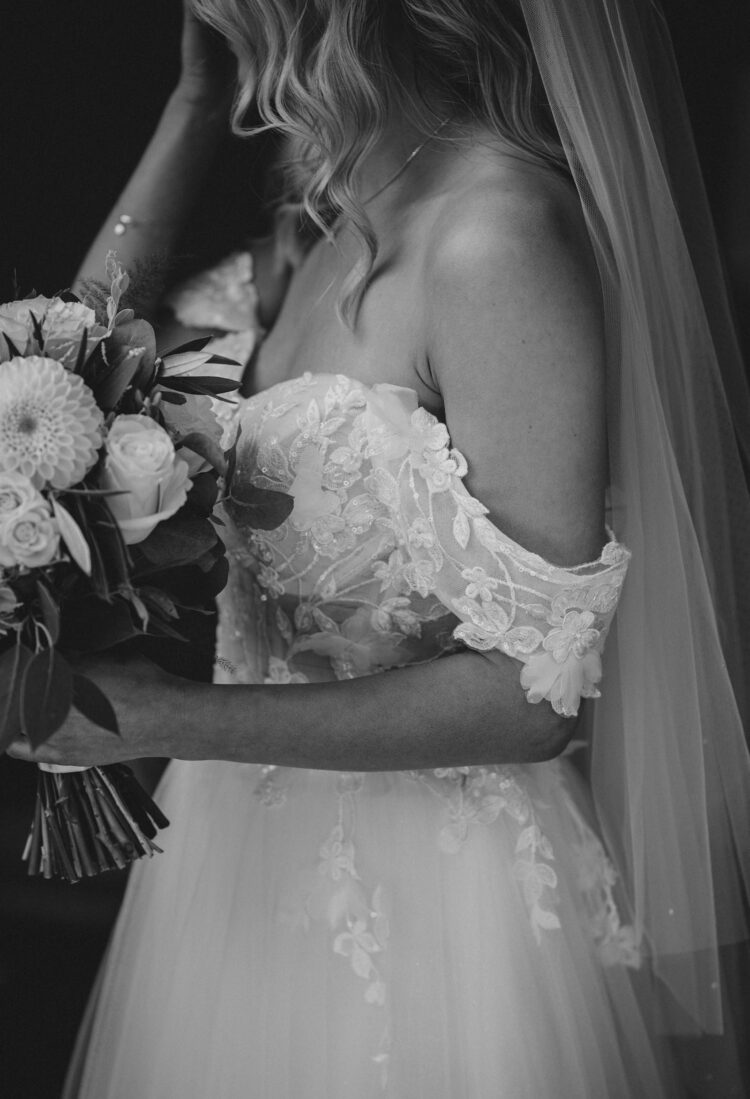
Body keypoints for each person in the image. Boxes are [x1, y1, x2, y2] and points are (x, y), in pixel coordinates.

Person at [10, 0, 750, 1095]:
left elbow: (532, 700)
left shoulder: (495, 239)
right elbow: (54, 397)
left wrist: (167, 720)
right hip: (234, 880)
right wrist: (192, 105)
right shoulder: (319, 229)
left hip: (440, 920)